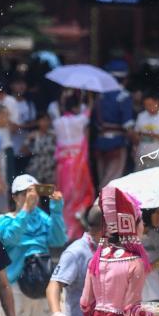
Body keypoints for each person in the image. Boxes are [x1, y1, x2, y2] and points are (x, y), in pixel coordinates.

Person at [0, 174, 67, 316]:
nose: (31, 196)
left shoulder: (42, 217)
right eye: (25, 193)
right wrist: (25, 210)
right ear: (14, 197)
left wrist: (56, 210)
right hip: (15, 285)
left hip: (42, 281)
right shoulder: (3, 220)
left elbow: (58, 240)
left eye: (34, 192)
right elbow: (9, 239)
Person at [80, 186, 154, 316]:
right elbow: (131, 312)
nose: (143, 224)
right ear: (133, 225)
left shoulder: (96, 260)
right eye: (141, 220)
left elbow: (85, 304)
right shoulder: (135, 263)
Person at [47, 205, 103, 316]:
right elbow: (54, 285)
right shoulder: (75, 252)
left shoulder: (111, 247)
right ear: (105, 228)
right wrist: (57, 314)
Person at [53, 94, 95, 239]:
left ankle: (65, 231)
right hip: (78, 164)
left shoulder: (57, 122)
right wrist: (89, 99)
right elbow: (88, 111)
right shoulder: (80, 120)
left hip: (63, 165)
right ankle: (75, 228)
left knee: (65, 197)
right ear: (76, 107)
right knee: (80, 194)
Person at [93, 69, 135, 188]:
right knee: (113, 178)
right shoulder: (124, 96)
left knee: (102, 175)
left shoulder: (100, 96)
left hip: (100, 141)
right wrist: (135, 139)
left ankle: (100, 201)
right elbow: (127, 124)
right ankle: (102, 203)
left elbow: (95, 121)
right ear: (125, 80)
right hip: (117, 142)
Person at [140, 207, 159, 303]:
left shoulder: (155, 235)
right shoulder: (135, 239)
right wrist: (158, 262)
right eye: (157, 213)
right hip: (148, 293)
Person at [23, 112, 56, 185]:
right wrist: (32, 152)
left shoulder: (53, 135)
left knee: (49, 192)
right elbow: (23, 150)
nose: (45, 123)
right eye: (42, 120)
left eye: (47, 120)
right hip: (37, 166)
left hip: (50, 167)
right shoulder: (33, 135)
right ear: (38, 122)